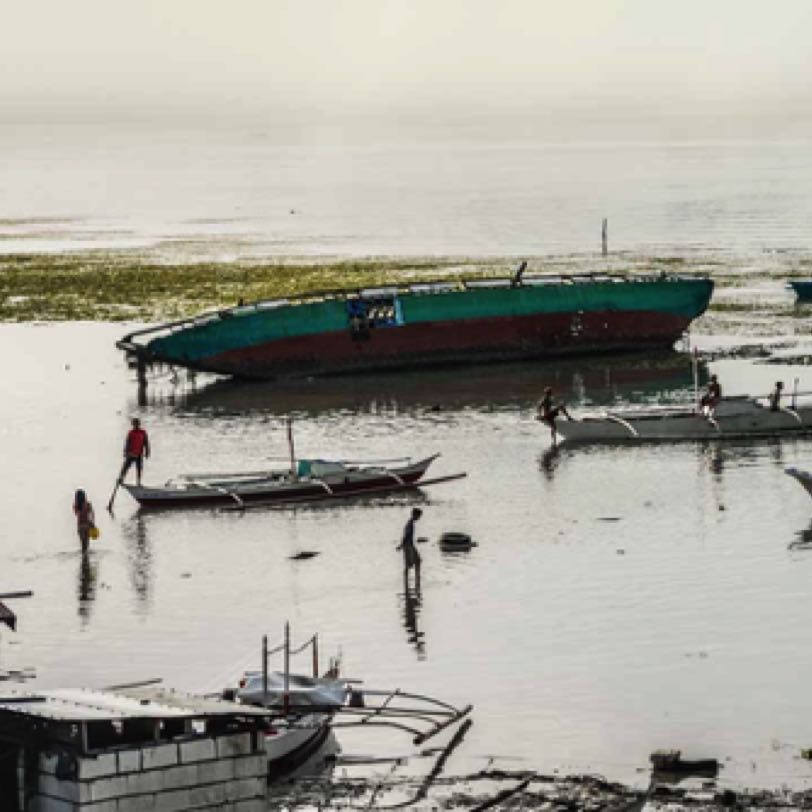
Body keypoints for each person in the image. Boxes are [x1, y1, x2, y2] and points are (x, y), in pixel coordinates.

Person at [118, 417, 150, 486]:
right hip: (131, 454)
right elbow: (127, 443)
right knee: (125, 467)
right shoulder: (130, 433)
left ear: (139, 424)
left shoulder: (143, 432)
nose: (136, 426)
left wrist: (147, 452)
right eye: (134, 424)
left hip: (139, 454)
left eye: (137, 424)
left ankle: (138, 482)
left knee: (139, 468)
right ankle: (121, 478)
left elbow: (146, 443)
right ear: (132, 425)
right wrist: (125, 452)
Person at [397, 508, 423, 581]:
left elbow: (406, 535)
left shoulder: (410, 523)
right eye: (419, 516)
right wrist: (401, 545)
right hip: (408, 546)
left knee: (416, 561)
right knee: (412, 563)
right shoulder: (410, 524)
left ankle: (415, 578)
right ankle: (411, 578)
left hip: (409, 545)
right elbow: (406, 535)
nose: (419, 518)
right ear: (414, 515)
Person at [73, 489, 95, 554]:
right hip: (87, 526)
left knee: (83, 545)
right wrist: (92, 523)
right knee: (87, 545)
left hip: (80, 527)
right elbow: (91, 515)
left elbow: (77, 514)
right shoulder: (88, 504)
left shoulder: (75, 506)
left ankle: (84, 559)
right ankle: (86, 560)